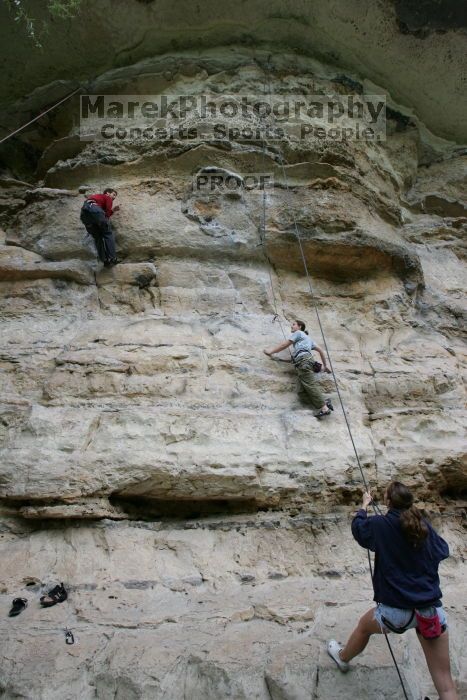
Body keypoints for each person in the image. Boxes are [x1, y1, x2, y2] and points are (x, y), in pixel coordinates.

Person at [327, 482, 458, 700]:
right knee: (446, 686)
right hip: (429, 613)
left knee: (363, 627)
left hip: (395, 615)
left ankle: (342, 657)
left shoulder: (380, 524)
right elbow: (442, 550)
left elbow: (359, 529)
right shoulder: (421, 525)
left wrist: (364, 506)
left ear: (388, 501)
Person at [263, 319, 333, 418]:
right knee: (302, 394)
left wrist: (271, 352)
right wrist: (325, 366)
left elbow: (285, 345)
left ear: (300, 326)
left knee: (310, 385)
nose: (292, 326)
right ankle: (324, 402)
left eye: (294, 324)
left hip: (303, 362)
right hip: (303, 363)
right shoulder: (308, 339)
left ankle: (324, 408)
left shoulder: (299, 333)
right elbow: (321, 351)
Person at [80, 188, 120, 266]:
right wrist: (110, 212)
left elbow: (101, 214)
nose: (114, 197)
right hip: (94, 209)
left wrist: (113, 211)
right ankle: (112, 258)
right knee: (108, 234)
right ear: (107, 193)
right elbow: (106, 213)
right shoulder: (107, 197)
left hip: (85, 215)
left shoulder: (97, 199)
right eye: (114, 195)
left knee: (98, 238)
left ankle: (104, 260)